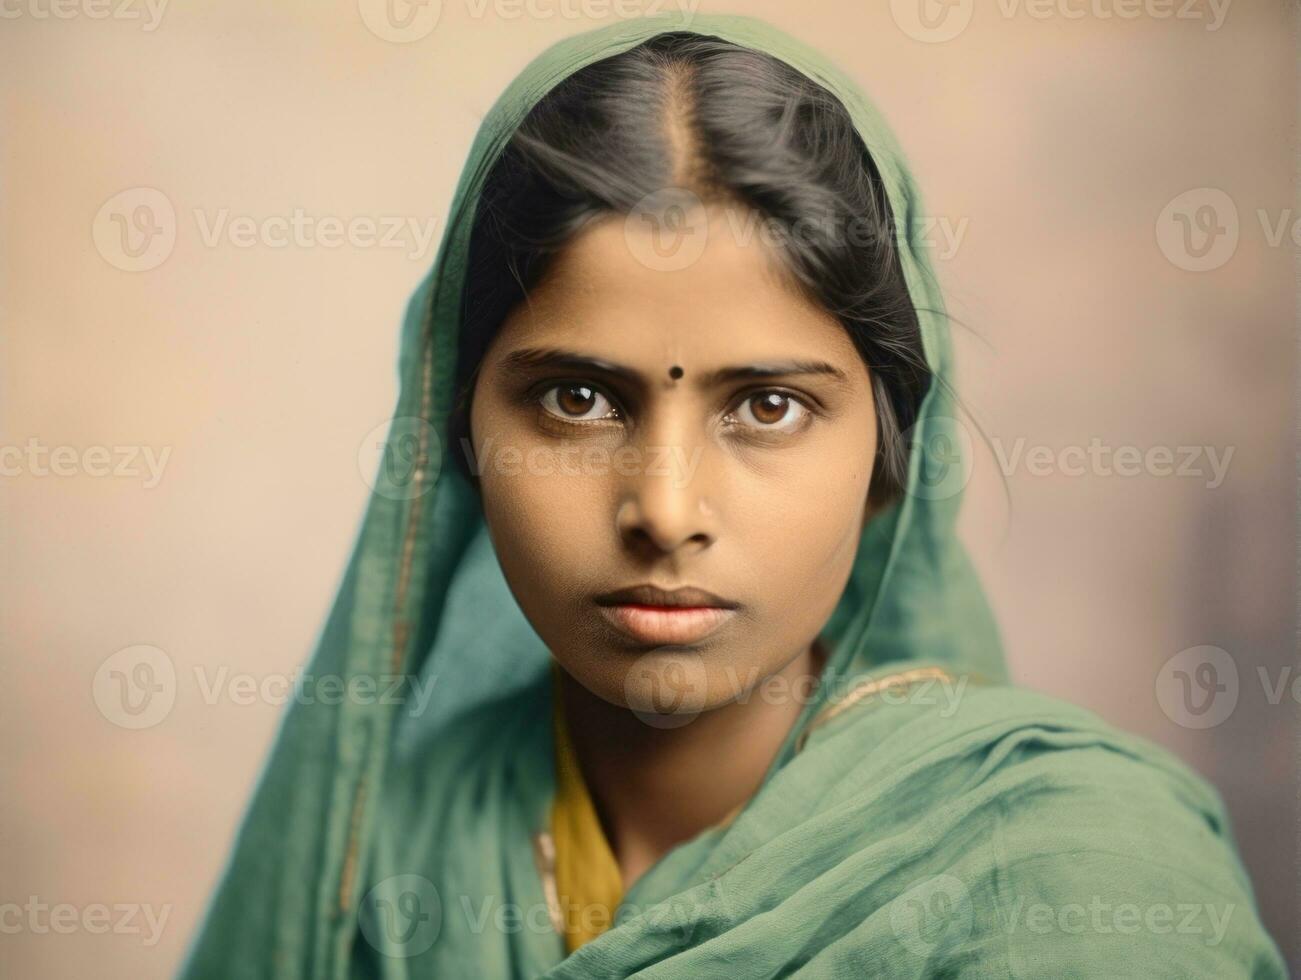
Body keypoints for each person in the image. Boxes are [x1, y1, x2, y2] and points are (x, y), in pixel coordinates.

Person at [179, 15, 1286, 978]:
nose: (663, 509)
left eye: (765, 407)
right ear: (457, 433)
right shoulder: (370, 861)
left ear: (888, 454)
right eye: (574, 397)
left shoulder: (1066, 879)